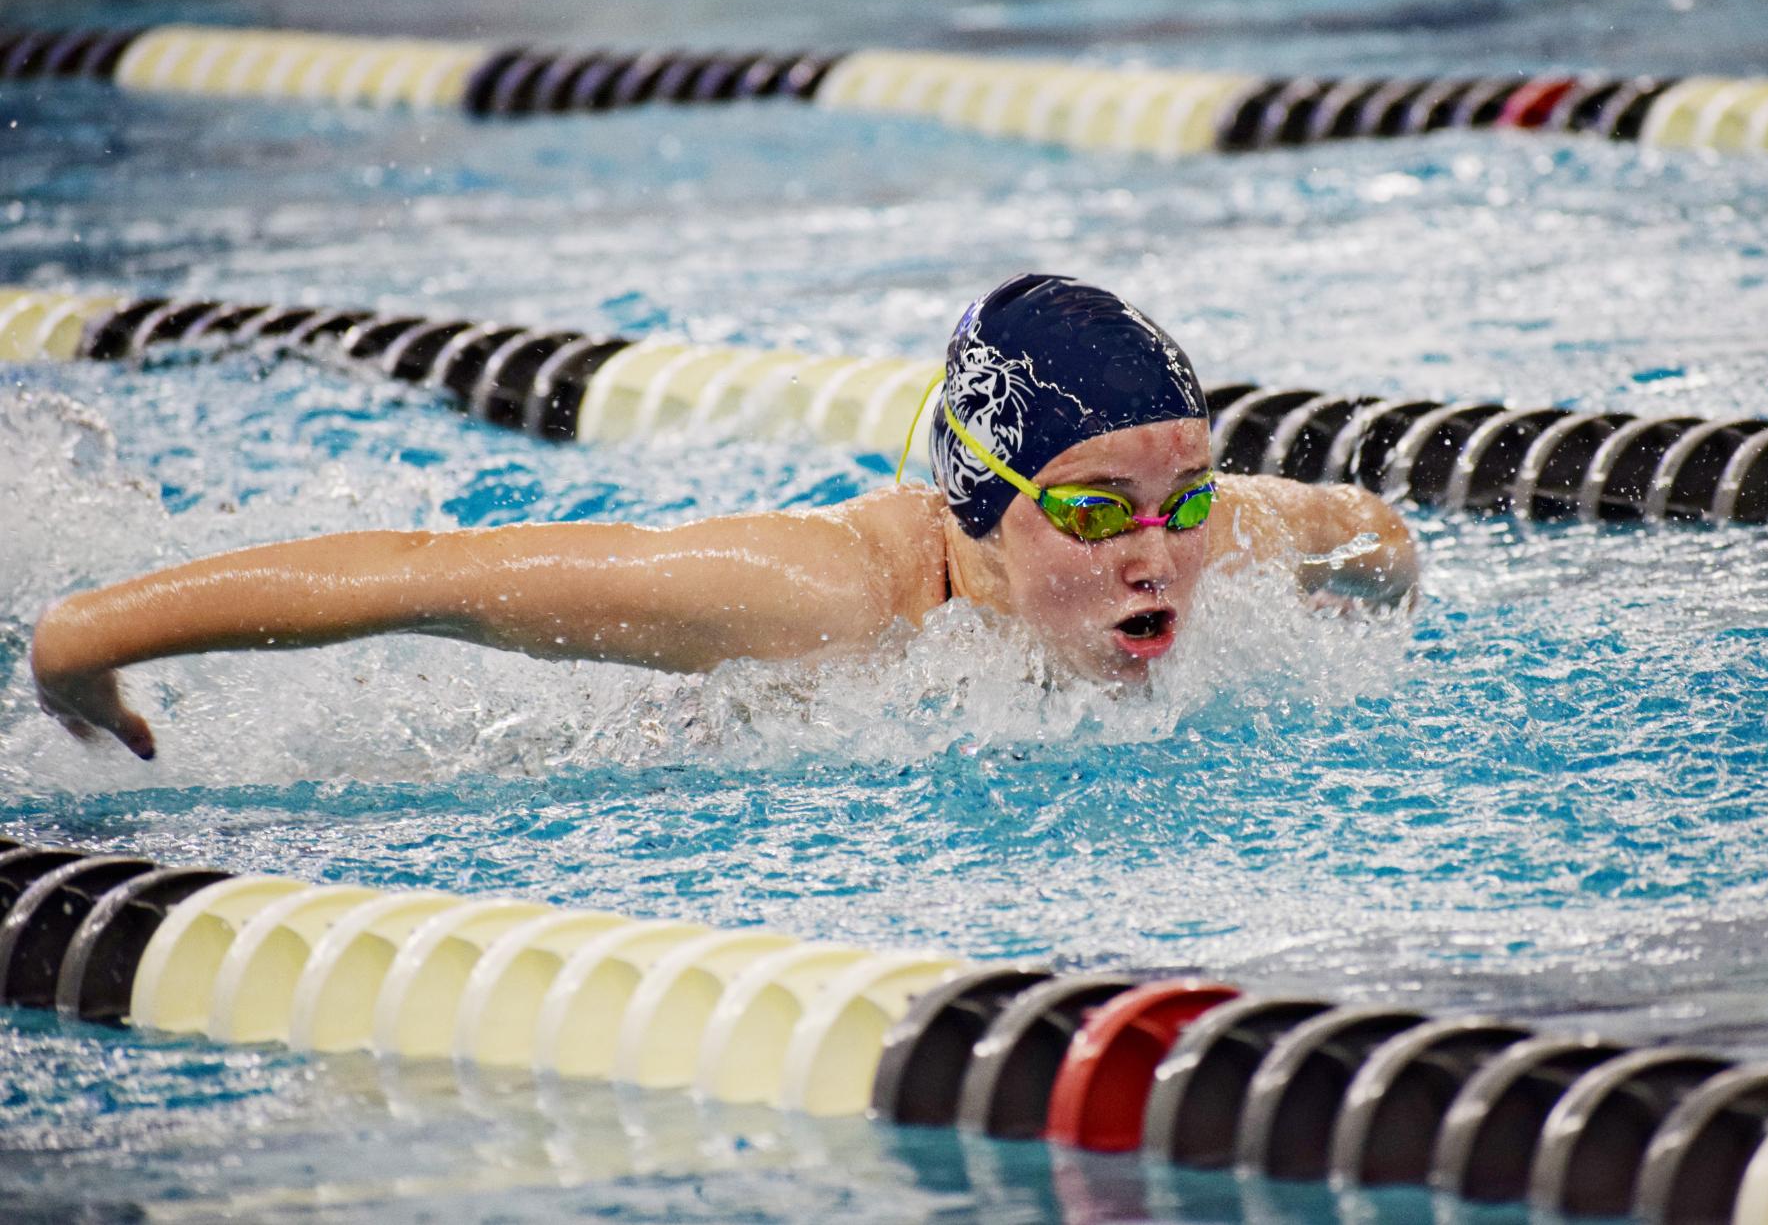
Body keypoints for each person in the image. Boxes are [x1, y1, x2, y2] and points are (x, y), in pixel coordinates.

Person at [31, 275, 1418, 760]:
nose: (1154, 549)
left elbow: (1370, 536)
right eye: (1092, 508)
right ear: (982, 508)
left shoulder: (1217, 530)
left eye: (1180, 495)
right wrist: (84, 638)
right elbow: (421, 575)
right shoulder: (808, 596)